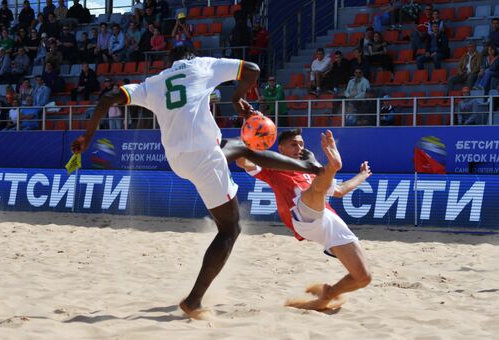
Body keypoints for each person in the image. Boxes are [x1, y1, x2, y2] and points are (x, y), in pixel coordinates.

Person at [71, 45, 322, 319]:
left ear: (168, 63)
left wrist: (88, 136)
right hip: (203, 159)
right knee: (230, 229)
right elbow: (253, 70)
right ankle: (193, 301)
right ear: (190, 57)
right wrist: (237, 98)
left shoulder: (153, 83)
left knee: (241, 148)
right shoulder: (202, 65)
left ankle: (304, 165)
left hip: (178, 158)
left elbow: (108, 96)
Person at [236, 129, 372, 311]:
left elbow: (339, 191)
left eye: (301, 144)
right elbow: (242, 161)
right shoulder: (272, 167)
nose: (299, 147)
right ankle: (334, 165)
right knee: (316, 191)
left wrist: (362, 176)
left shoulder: (310, 170)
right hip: (301, 217)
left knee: (363, 277)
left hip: (329, 220)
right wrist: (249, 138)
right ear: (281, 148)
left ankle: (328, 294)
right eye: (293, 144)